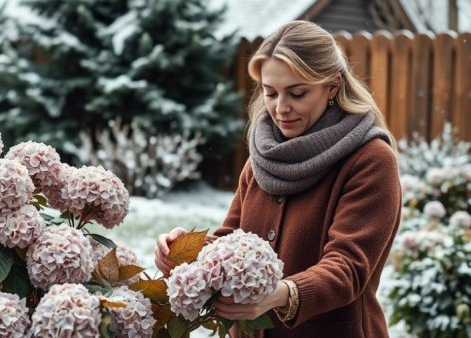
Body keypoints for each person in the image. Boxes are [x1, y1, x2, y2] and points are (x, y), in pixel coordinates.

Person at [155, 20, 401, 338]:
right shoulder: (264, 154)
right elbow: (232, 240)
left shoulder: (370, 160)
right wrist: (187, 249)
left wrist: (281, 293)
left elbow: (348, 268)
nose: (280, 108)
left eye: (297, 93)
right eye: (271, 93)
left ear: (333, 85)